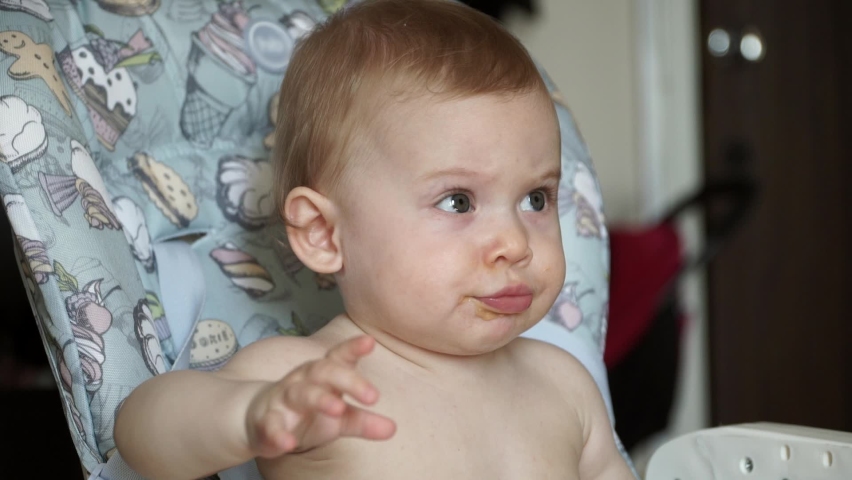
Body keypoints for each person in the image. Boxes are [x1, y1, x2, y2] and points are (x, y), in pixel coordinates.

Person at [115, 1, 634, 478]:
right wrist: (250, 415)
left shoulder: (564, 387)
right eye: (458, 201)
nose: (516, 243)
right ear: (323, 234)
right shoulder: (304, 378)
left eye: (536, 199)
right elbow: (140, 430)